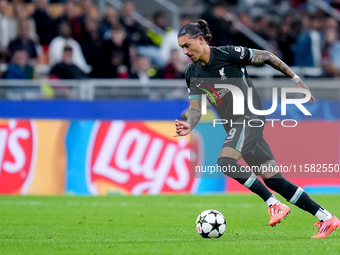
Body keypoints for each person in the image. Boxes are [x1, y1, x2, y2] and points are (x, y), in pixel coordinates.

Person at [174, 19, 340, 239]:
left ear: (201, 40)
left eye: (187, 45)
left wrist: (296, 79)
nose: (185, 51)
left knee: (225, 162)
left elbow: (268, 57)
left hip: (249, 118)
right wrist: (189, 124)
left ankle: (273, 204)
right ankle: (326, 217)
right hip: (234, 126)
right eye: (181, 48)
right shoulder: (192, 73)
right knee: (273, 179)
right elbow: (195, 109)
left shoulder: (228, 54)